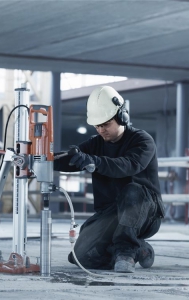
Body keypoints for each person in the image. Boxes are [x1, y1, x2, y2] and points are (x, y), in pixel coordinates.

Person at [54, 86, 165, 273]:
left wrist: (93, 161)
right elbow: (71, 159)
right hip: (111, 213)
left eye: (105, 124)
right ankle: (139, 248)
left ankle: (126, 251)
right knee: (80, 257)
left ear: (122, 117)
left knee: (132, 190)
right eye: (97, 126)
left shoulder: (142, 141)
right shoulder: (95, 144)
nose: (101, 130)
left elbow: (127, 165)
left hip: (145, 212)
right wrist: (38, 159)